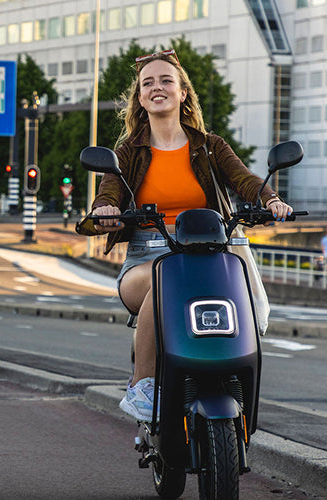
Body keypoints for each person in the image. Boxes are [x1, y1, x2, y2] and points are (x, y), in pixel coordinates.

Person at [82, 49, 294, 423]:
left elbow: (244, 179)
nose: (157, 87)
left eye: (166, 80)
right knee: (164, 279)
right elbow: (109, 191)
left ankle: (233, 379)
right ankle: (142, 385)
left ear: (183, 93)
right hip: (147, 259)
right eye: (148, 83)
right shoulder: (128, 152)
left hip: (208, 253)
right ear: (140, 98)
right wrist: (105, 211)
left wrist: (271, 200)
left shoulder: (211, 146)